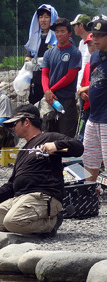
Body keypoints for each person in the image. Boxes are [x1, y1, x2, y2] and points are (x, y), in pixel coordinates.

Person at [0, 104, 84, 236]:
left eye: (14, 123)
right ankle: (24, 223)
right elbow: (12, 185)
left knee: (12, 222)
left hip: (43, 196)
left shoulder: (50, 137)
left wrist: (56, 145)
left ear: (26, 122)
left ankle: (52, 222)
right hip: (19, 198)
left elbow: (78, 147)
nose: (12, 128)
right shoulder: (22, 152)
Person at [41, 18, 81, 137]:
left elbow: (70, 76)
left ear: (69, 33)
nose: (59, 34)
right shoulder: (48, 53)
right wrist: (46, 91)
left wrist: (51, 90)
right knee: (48, 135)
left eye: (62, 31)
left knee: (65, 137)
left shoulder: (74, 53)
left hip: (66, 100)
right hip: (50, 100)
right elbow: (44, 74)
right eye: (57, 31)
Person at [82, 16, 107, 182]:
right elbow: (96, 79)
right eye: (93, 34)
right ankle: (88, 200)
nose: (94, 38)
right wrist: (88, 89)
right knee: (89, 162)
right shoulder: (95, 56)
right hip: (93, 117)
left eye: (99, 35)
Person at [24, 4, 58, 104]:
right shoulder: (35, 37)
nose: (43, 20)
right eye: (40, 17)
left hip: (51, 81)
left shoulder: (57, 38)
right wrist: (28, 64)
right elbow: (28, 55)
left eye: (47, 17)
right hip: (36, 80)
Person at [76, 33, 96, 141]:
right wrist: (82, 93)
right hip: (86, 107)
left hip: (98, 108)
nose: (91, 48)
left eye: (92, 44)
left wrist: (86, 88)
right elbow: (83, 85)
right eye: (88, 45)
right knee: (82, 137)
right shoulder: (88, 65)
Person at [71, 14, 91, 89]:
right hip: (80, 85)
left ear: (81, 25)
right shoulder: (81, 43)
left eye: (74, 25)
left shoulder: (94, 43)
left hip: (89, 86)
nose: (73, 28)